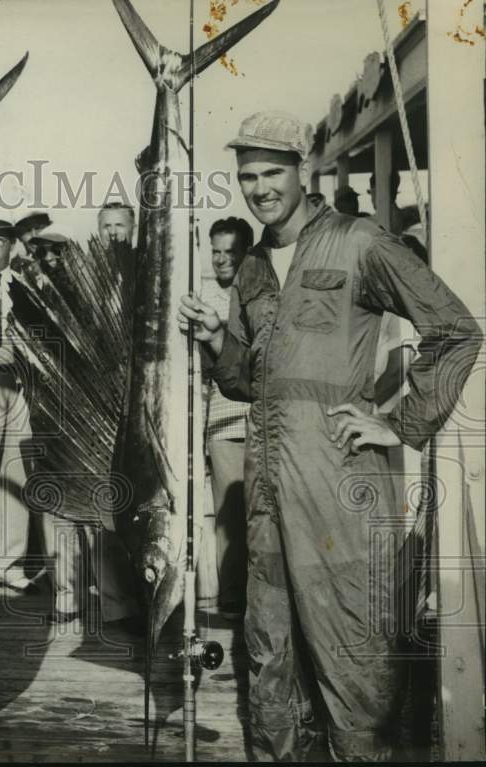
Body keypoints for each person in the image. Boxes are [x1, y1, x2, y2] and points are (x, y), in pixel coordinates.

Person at [177, 111, 481, 761]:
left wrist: (398, 422)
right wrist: (213, 339)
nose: (258, 188)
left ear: (303, 169)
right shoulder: (253, 266)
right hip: (265, 488)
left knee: (353, 657)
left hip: (338, 481)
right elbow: (242, 381)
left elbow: (454, 328)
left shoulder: (358, 242)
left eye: (271, 173)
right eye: (246, 176)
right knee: (268, 654)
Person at [0, 217, 80, 621]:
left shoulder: (24, 281)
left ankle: (10, 566)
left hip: (23, 385)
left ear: (11, 244)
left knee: (16, 475)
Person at [200, 217, 254, 619]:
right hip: (223, 420)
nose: (221, 259)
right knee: (229, 517)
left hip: (264, 418)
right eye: (215, 250)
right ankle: (233, 598)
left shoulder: (259, 293)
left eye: (229, 251)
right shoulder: (201, 297)